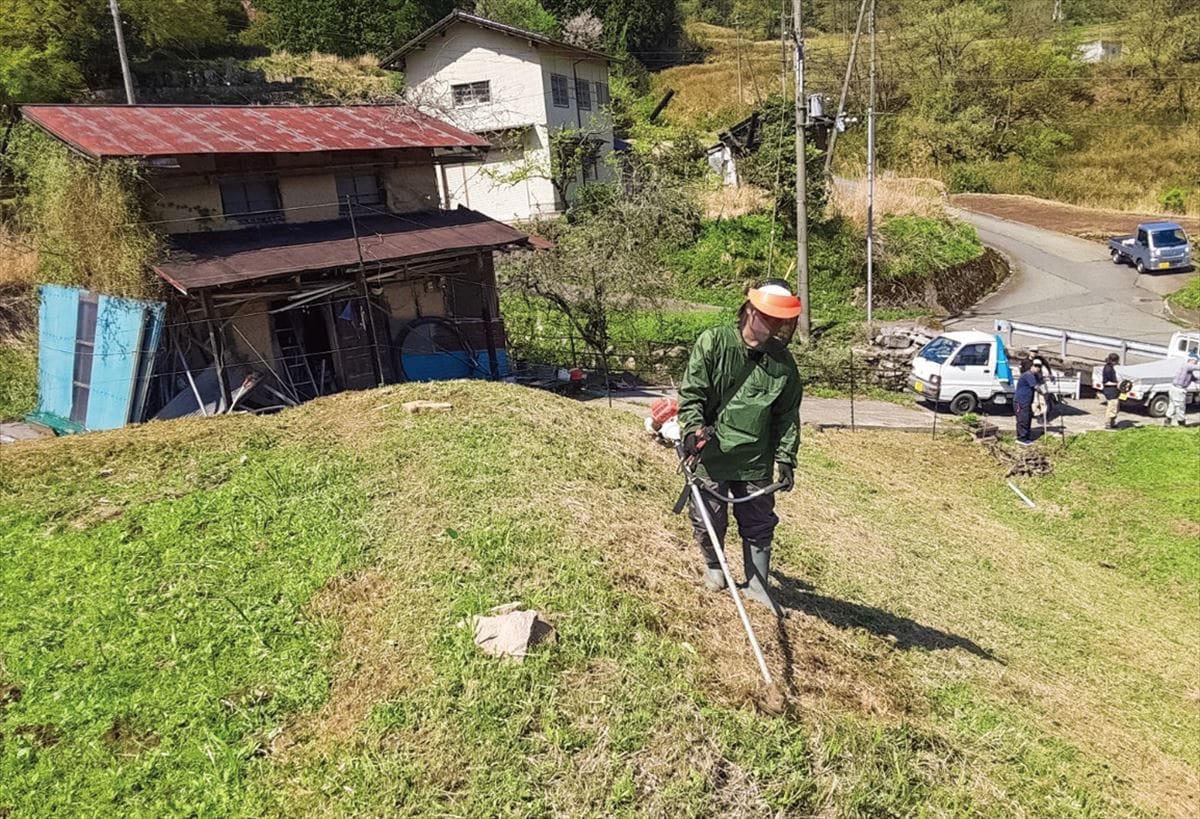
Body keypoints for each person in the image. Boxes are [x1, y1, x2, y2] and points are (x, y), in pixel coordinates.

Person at [677, 279, 803, 612]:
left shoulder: (782, 364)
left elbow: (787, 414)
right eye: (769, 317)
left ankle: (758, 586)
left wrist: (786, 459)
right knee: (708, 518)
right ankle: (715, 567)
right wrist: (692, 430)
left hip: (755, 459)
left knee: (759, 521)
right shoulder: (714, 343)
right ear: (749, 309)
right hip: (711, 452)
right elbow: (693, 393)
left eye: (781, 320)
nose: (775, 325)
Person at [1165, 351, 1200, 427]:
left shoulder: (1188, 371)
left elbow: (1195, 379)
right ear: (1192, 360)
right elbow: (1197, 368)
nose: (1196, 363)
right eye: (1196, 361)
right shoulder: (1186, 366)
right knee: (1180, 407)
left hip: (1174, 388)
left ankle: (1167, 422)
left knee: (1173, 405)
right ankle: (1181, 423)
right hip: (1179, 390)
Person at [1014, 359, 1044, 445]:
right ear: (1032, 366)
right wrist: (1044, 393)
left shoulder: (1033, 375)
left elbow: (1040, 381)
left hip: (1027, 401)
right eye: (1036, 366)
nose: (1038, 368)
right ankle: (1021, 439)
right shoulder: (1028, 375)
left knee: (1027, 419)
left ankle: (1026, 437)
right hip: (1021, 401)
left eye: (1039, 367)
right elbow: (1036, 387)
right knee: (1022, 419)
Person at [1101, 353, 1120, 430]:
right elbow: (1105, 382)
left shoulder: (1110, 367)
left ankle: (1112, 422)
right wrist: (1117, 383)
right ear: (1113, 361)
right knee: (1112, 407)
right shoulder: (1108, 369)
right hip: (1110, 390)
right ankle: (1108, 423)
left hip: (1113, 390)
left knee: (1116, 407)